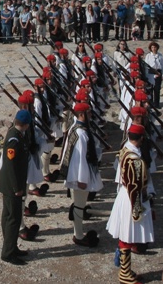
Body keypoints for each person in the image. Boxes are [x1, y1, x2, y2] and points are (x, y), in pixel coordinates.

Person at [107, 120, 154, 284]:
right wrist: (137, 209)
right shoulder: (135, 159)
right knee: (127, 235)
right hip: (130, 198)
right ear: (141, 138)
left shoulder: (125, 150)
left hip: (124, 195)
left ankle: (125, 270)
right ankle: (124, 274)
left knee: (127, 235)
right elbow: (135, 187)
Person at [61, 102, 103, 247]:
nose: (91, 115)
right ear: (81, 115)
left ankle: (77, 231)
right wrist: (81, 179)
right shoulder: (80, 132)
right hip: (79, 175)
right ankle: (78, 235)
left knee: (79, 204)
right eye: (88, 112)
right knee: (79, 205)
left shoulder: (78, 128)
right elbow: (79, 160)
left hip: (78, 174)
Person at [0, 110, 32, 265]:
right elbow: (10, 165)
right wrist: (17, 187)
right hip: (12, 185)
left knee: (8, 216)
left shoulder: (16, 135)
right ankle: (8, 253)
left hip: (10, 184)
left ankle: (11, 246)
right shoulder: (14, 139)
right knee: (13, 218)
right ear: (24, 124)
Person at [144, 42, 163, 109]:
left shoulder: (160, 55)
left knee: (157, 89)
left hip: (158, 72)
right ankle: (150, 103)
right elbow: (146, 66)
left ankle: (157, 104)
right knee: (150, 89)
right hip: (151, 72)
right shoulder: (148, 56)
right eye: (152, 47)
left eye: (155, 47)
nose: (154, 49)